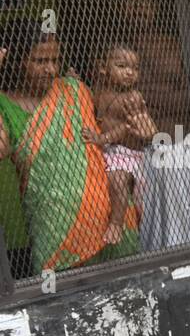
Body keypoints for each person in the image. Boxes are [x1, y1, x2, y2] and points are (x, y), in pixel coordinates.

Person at [0, 24, 135, 275]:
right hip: (52, 224)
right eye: (40, 61)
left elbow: (109, 132)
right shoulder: (5, 105)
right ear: (18, 61)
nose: (51, 68)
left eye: (55, 60)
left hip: (108, 218)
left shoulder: (74, 90)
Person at [118, 0, 190, 250]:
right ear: (120, 8)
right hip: (141, 156)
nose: (137, 9)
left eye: (143, 1)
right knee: (152, 236)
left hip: (180, 149)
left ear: (155, 7)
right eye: (130, 2)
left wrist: (145, 96)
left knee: (189, 234)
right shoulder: (115, 54)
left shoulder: (172, 46)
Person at [90, 44, 156, 250]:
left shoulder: (133, 97)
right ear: (103, 68)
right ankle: (119, 225)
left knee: (129, 190)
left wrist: (102, 139)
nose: (129, 72)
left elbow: (127, 127)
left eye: (134, 68)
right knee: (114, 182)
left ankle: (120, 225)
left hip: (129, 153)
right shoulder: (98, 91)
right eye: (121, 66)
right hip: (109, 152)